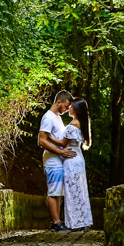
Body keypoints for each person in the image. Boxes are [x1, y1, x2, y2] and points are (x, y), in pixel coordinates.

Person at [37, 91, 76, 231]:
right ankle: (55, 222)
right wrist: (60, 152)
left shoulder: (57, 117)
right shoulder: (48, 118)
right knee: (54, 191)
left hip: (58, 159)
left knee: (59, 192)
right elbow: (41, 141)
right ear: (58, 102)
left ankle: (58, 222)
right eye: (66, 106)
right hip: (52, 160)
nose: (67, 109)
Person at [57, 97, 93, 231]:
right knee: (80, 190)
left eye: (71, 106)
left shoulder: (73, 125)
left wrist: (47, 138)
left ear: (76, 109)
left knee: (72, 191)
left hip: (71, 160)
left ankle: (75, 223)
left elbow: (62, 143)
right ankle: (82, 221)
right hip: (78, 157)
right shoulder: (82, 122)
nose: (68, 108)